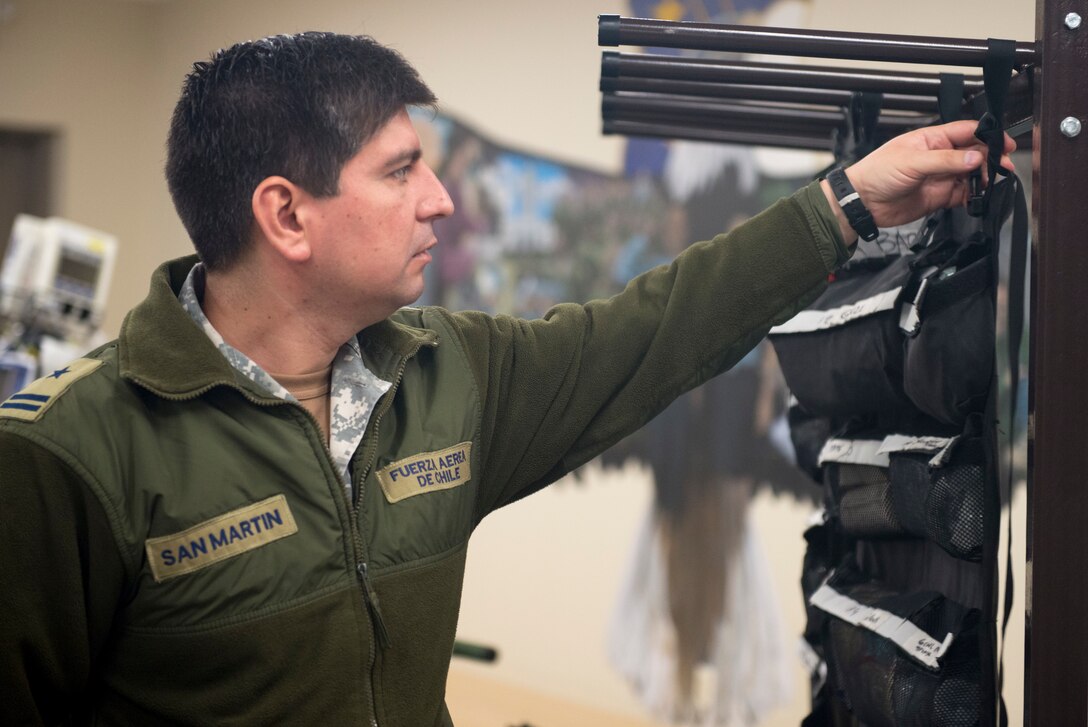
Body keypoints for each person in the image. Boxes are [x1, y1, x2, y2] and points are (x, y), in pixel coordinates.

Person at [0, 31, 1014, 727]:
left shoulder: (446, 374)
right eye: (400, 171)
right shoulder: (68, 457)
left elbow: (652, 331)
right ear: (286, 215)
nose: (441, 200)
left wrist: (843, 205)